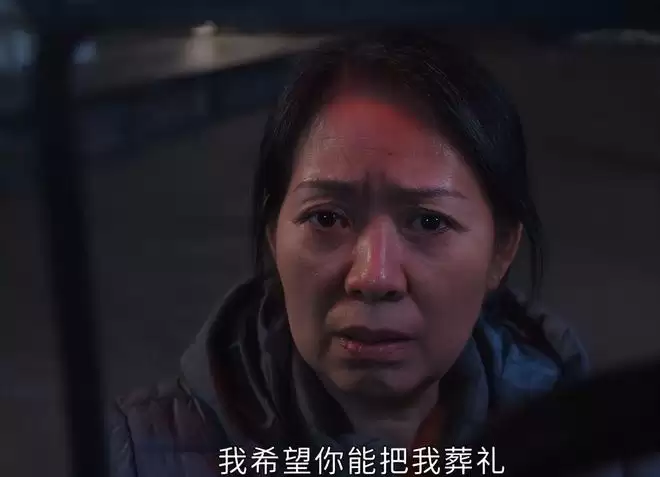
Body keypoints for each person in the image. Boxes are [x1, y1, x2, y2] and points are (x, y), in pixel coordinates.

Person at [107, 30, 655, 477]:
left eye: (429, 222)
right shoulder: (138, 456)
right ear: (274, 234)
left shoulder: (604, 451)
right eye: (327, 218)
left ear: (501, 250)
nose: (375, 277)